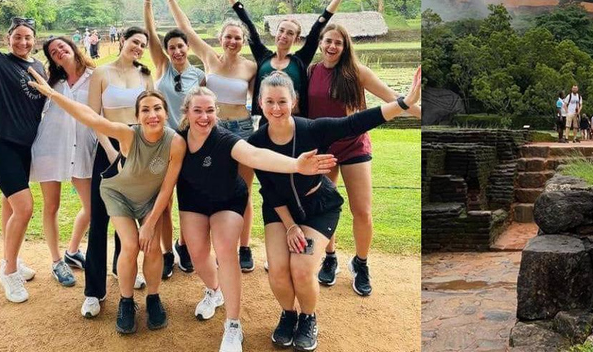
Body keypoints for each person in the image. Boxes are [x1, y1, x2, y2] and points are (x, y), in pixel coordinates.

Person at [249, 67, 421, 351]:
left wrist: (402, 103)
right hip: (280, 212)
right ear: (260, 104)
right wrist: (290, 225)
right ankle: (288, 314)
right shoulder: (256, 143)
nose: (276, 108)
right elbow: (268, 187)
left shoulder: (312, 129)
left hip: (318, 207)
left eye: (282, 101)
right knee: (278, 270)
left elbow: (355, 122)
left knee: (302, 269)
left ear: (293, 101)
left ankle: (308, 317)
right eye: (270, 102)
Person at [176, 87, 336, 352]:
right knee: (197, 252)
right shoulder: (178, 139)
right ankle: (214, 291)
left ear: (217, 112)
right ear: (187, 113)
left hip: (228, 201)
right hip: (192, 202)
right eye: (197, 110)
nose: (204, 117)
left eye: (209, 110)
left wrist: (296, 164)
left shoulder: (225, 139)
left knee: (226, 249)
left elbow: (256, 156)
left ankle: (233, 325)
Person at [29, 70, 185, 334]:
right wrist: (54, 94)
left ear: (166, 113)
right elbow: (90, 116)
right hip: (118, 195)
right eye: (145, 110)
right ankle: (126, 301)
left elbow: (167, 188)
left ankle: (153, 298)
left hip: (150, 199)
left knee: (153, 247)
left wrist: (149, 224)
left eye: (157, 108)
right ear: (137, 116)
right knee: (131, 244)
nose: (152, 115)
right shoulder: (128, 135)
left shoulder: (175, 143)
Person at [308, 23, 421, 294]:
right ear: (321, 43)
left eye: (338, 42)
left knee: (362, 211)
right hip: (323, 147)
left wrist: (422, 112)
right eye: (328, 41)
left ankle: (361, 263)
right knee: (325, 205)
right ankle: (330, 256)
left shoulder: (357, 73)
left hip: (354, 146)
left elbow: (393, 99)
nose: (332, 46)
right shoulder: (311, 72)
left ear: (345, 46)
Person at [165, 0, 259, 273]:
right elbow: (187, 30)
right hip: (211, 130)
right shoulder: (208, 57)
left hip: (242, 130)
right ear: (220, 39)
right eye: (228, 37)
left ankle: (244, 247)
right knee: (200, 184)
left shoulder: (251, 67)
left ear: (243, 42)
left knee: (242, 190)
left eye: (237, 38)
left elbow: (258, 101)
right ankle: (188, 244)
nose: (232, 41)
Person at [79, 26, 154, 319]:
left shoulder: (145, 75)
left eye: (143, 44)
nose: (138, 47)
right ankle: (93, 291)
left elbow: (151, 113)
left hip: (139, 148)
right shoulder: (101, 73)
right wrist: (111, 151)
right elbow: (93, 116)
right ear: (123, 40)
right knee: (100, 220)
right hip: (108, 149)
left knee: (133, 214)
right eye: (135, 41)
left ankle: (124, 268)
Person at [217, 0, 360, 120]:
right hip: (266, 123)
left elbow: (319, 26)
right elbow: (247, 23)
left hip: (295, 123)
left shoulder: (300, 60)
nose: (284, 36)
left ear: (296, 39)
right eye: (282, 30)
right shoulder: (263, 57)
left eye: (290, 33)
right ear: (276, 32)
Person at [141, 0, 206, 277]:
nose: (177, 51)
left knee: (191, 197)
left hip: (191, 142)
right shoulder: (163, 67)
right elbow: (151, 32)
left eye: (181, 46)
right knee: (164, 202)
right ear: (167, 52)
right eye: (173, 48)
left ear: (187, 48)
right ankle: (167, 252)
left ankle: (184, 245)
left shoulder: (198, 74)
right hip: (164, 142)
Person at [0, 17, 46, 303]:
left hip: (24, 147)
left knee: (9, 203)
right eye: (17, 36)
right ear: (8, 39)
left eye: (28, 37)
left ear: (35, 40)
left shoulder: (38, 67)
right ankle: (8, 272)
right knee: (24, 207)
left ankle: (12, 257)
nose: (23, 42)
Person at [30, 37, 96, 287]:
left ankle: (72, 251)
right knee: (52, 205)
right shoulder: (51, 81)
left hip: (81, 148)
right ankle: (57, 261)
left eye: (62, 46)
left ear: (73, 47)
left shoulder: (95, 75)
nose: (59, 51)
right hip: (51, 147)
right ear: (51, 58)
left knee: (91, 207)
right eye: (53, 51)